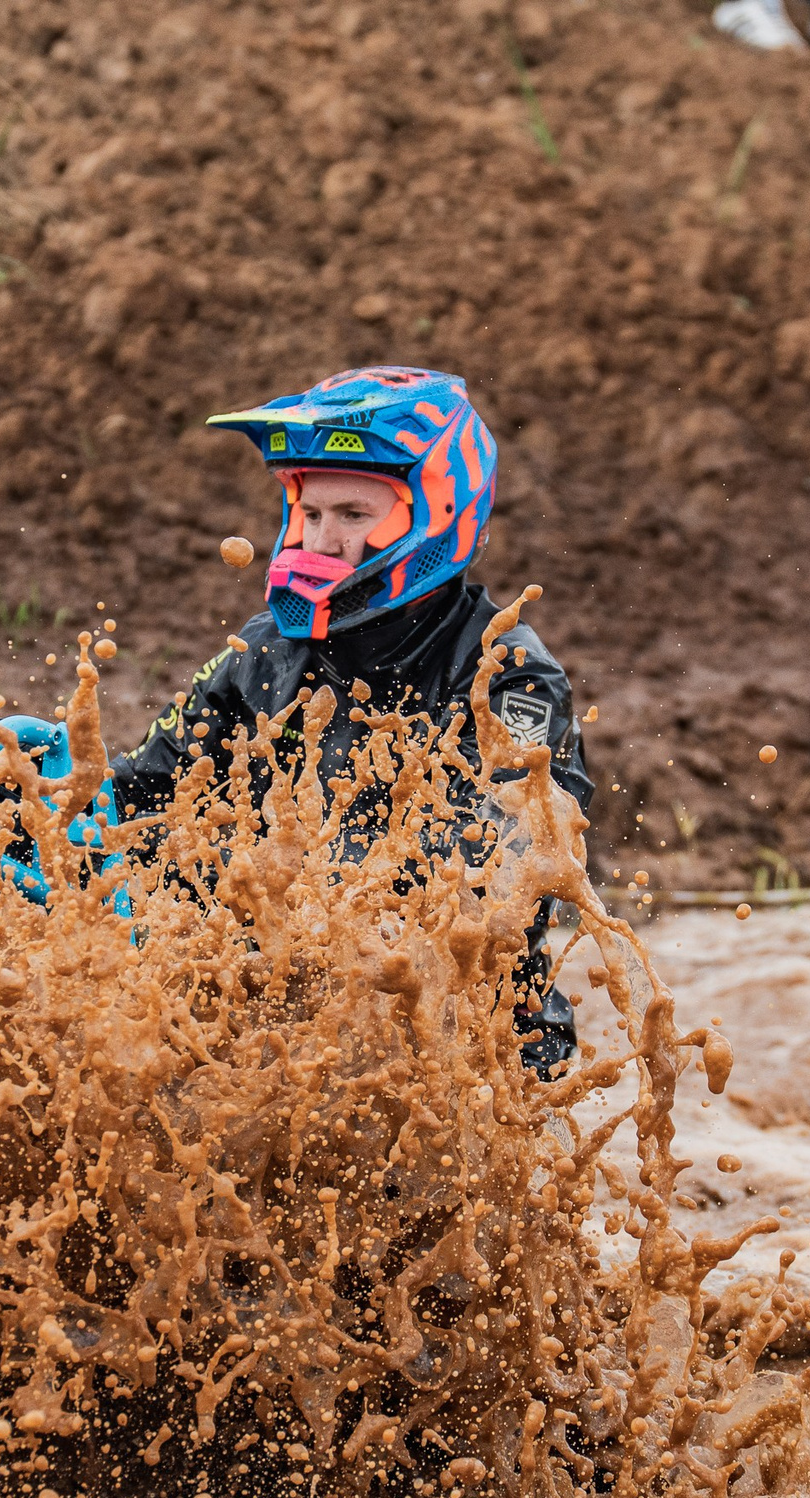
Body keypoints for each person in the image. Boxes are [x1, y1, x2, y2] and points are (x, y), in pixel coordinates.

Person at [107, 366, 591, 1072]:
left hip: (469, 1048)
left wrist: (312, 902)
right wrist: (17, 785)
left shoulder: (508, 673)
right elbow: (137, 793)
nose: (322, 540)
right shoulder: (266, 649)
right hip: (270, 1015)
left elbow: (507, 862)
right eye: (310, 513)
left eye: (353, 516)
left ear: (434, 516)